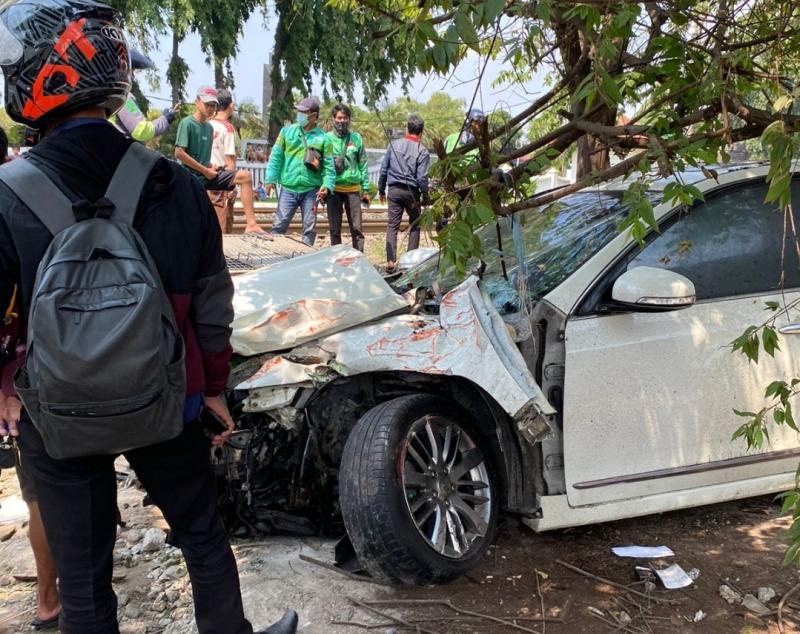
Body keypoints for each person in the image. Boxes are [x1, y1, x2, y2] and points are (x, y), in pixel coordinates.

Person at [0, 2, 297, 632]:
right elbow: (213, 304)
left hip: (53, 414)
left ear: (34, 75)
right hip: (167, 403)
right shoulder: (175, 183)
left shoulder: (8, 192)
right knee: (203, 539)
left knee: (83, 581)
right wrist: (213, 388)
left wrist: (7, 388)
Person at [0, 126, 60, 632]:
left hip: (26, 376)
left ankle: (49, 598)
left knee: (40, 492)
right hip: (101, 370)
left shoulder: (9, 193)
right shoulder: (123, 179)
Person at [175, 86, 269, 237]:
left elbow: (204, 157)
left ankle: (251, 224)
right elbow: (179, 153)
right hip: (190, 178)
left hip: (207, 176)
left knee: (245, 176)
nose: (210, 108)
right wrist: (205, 170)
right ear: (197, 102)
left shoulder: (208, 128)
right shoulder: (187, 123)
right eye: (207, 104)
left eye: (213, 105)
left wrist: (212, 167)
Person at [265, 96, 334, 246]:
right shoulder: (286, 132)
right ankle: (272, 258)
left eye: (304, 112)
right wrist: (270, 179)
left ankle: (306, 257)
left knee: (309, 228)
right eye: (299, 111)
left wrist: (327, 186)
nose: (300, 114)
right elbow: (276, 157)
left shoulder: (324, 139)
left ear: (314, 115)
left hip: (311, 190)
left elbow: (329, 167)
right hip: (288, 188)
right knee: (279, 225)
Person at [378, 114, 431, 272]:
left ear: (408, 128)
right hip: (411, 193)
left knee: (392, 225)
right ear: (421, 132)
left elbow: (383, 170)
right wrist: (426, 196)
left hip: (393, 190)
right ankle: (411, 261)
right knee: (415, 224)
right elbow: (422, 178)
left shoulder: (393, 145)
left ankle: (390, 261)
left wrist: (381, 190)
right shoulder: (423, 151)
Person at [325, 103, 370, 252]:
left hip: (353, 189)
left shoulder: (356, 138)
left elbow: (363, 164)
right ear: (333, 119)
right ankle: (336, 258)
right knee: (334, 228)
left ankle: (359, 257)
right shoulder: (326, 139)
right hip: (333, 189)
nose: (341, 121)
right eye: (339, 118)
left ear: (349, 120)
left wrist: (366, 188)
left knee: (357, 229)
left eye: (345, 118)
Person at [111, 50, 177, 144]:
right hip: (121, 153)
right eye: (132, 70)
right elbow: (141, 130)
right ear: (123, 69)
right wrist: (165, 119)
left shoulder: (107, 95)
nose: (133, 76)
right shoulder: (124, 98)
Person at [207, 89, 240, 234]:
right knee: (223, 225)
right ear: (231, 105)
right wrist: (232, 186)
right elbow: (230, 160)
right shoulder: (227, 128)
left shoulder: (206, 124)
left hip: (204, 178)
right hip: (221, 181)